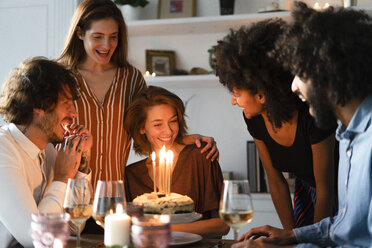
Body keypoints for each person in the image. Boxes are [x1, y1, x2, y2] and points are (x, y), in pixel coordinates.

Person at [58, 0, 219, 234]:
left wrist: (186, 139)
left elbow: (145, 127)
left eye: (113, 37)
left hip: (114, 204)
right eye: (98, 36)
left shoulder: (131, 78)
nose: (107, 45)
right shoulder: (61, 78)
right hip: (69, 202)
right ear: (80, 33)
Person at [233, 2, 372, 247]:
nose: (294, 86)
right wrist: (292, 236)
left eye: (300, 73)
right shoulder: (348, 136)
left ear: (327, 70)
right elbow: (345, 226)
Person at [214, 19, 337, 230]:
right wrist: (289, 238)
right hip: (307, 192)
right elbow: (275, 181)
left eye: (236, 93)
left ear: (262, 95)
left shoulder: (313, 115)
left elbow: (326, 189)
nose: (233, 101)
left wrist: (313, 241)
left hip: (340, 196)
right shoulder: (254, 117)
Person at [0, 57, 92, 247]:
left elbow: (75, 226)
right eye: (66, 102)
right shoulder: (3, 151)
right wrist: (63, 176)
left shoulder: (48, 150)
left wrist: (80, 167)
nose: (74, 113)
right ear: (39, 105)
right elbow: (37, 241)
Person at [124, 86, 230, 238]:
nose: (168, 131)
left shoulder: (200, 156)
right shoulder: (131, 175)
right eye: (157, 124)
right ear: (141, 128)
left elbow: (222, 225)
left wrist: (162, 228)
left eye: (173, 121)